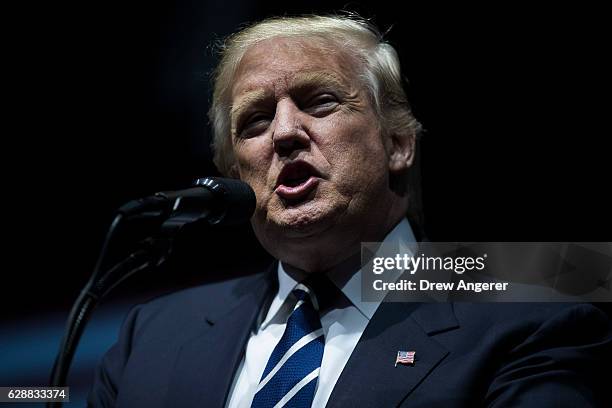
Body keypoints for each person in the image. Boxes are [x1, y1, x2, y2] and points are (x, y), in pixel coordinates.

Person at [88, 14, 611, 407]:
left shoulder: (536, 296)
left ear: (398, 142)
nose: (285, 133)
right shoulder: (152, 334)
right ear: (232, 175)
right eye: (254, 121)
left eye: (320, 102)